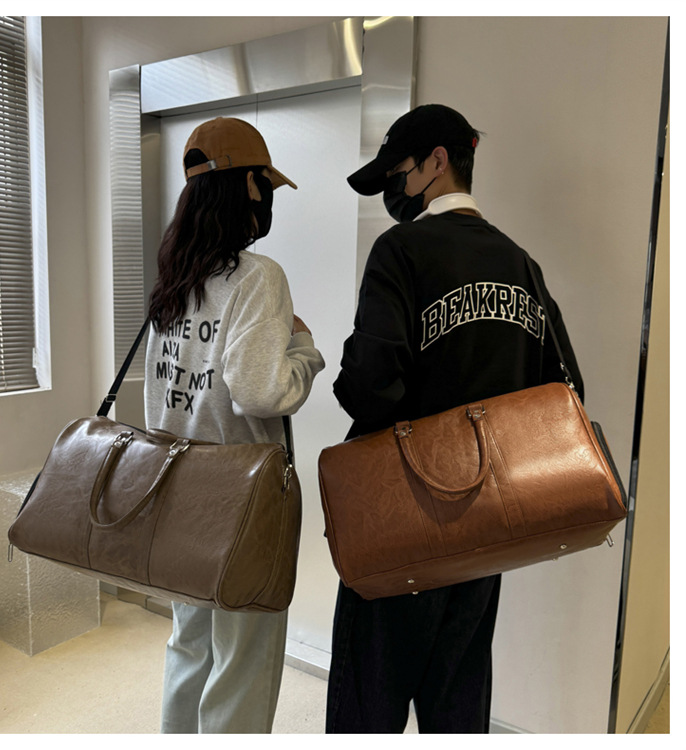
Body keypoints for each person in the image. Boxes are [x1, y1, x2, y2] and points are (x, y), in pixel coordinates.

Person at [325, 104, 583, 733]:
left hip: (400, 528)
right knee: (458, 712)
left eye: (398, 172)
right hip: (485, 535)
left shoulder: (400, 251)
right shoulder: (522, 265)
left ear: (437, 161)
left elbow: (369, 389)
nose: (393, 189)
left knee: (366, 714)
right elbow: (567, 394)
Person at [144, 116, 325, 734]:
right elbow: (262, 392)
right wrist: (305, 350)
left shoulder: (175, 279)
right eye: (266, 185)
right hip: (239, 502)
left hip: (172, 490)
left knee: (189, 644)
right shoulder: (258, 277)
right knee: (243, 657)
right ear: (250, 186)